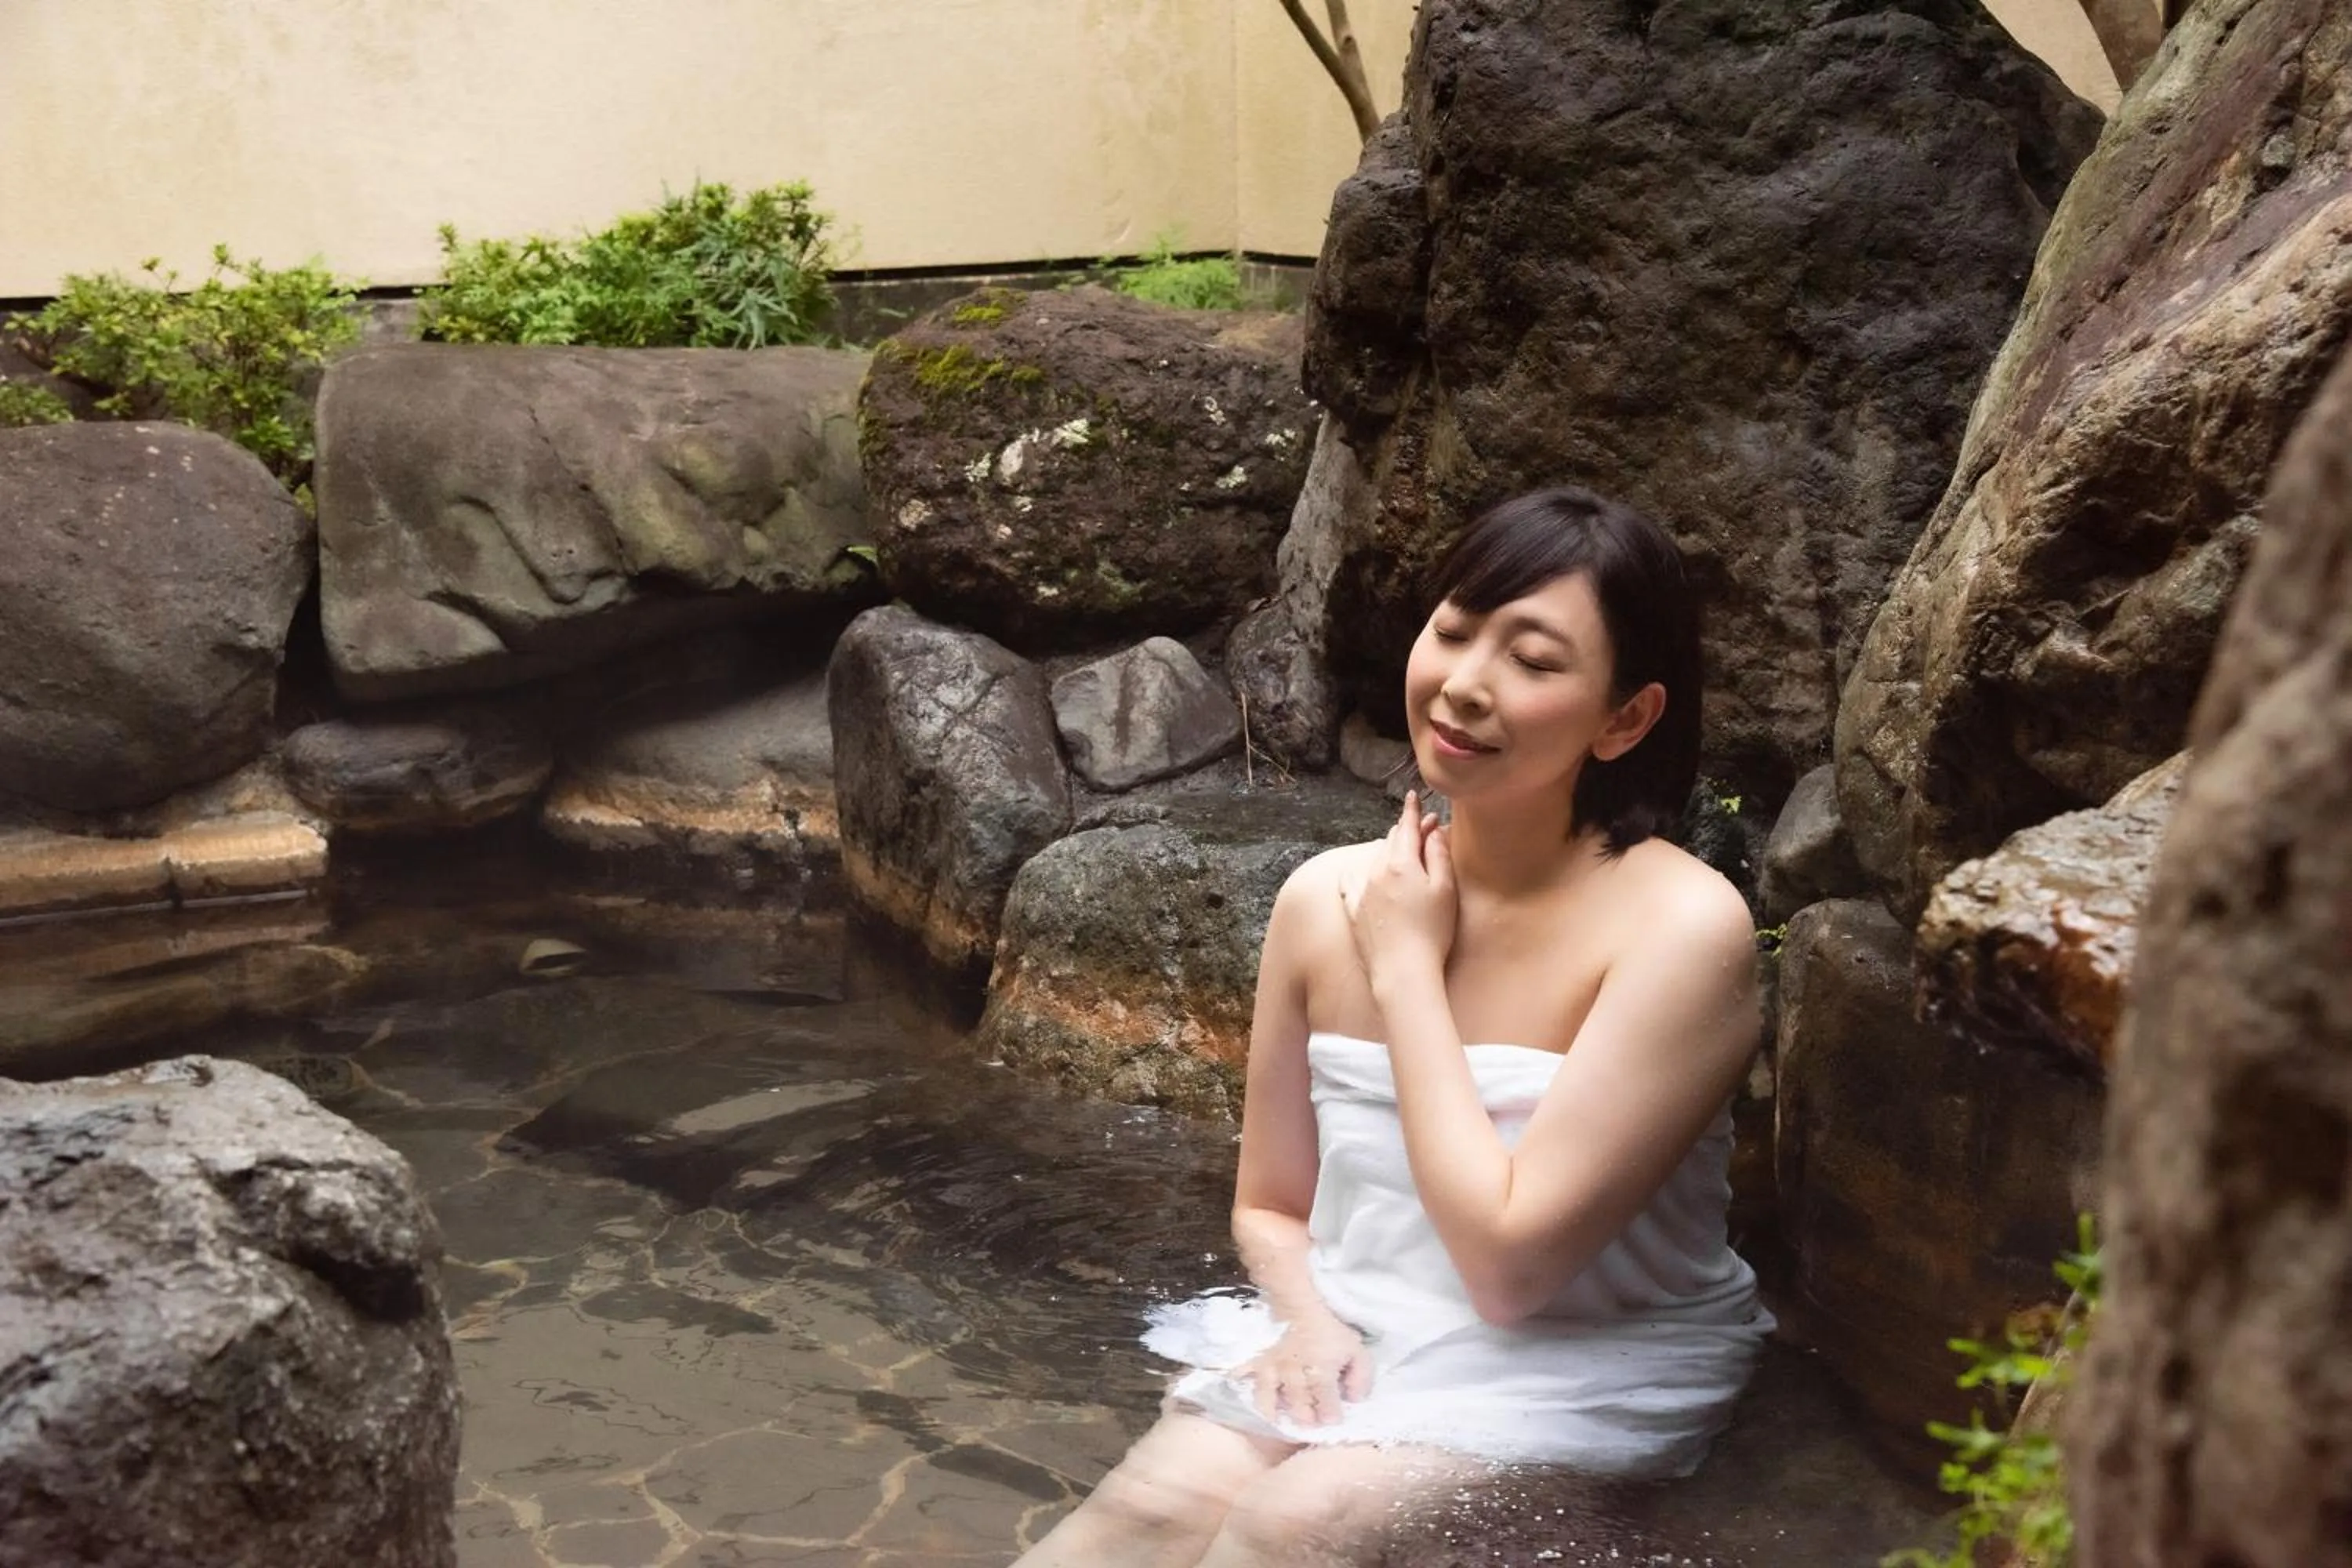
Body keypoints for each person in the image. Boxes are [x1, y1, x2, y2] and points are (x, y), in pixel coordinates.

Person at [1013, 488, 1774, 1567]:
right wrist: (1306, 1323)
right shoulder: (1324, 900)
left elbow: (1512, 1268)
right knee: (1148, 1514)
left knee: (1296, 1527)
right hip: (1366, 1328)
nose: (1465, 685)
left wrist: (1410, 969)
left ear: (1626, 718)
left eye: (1534, 660)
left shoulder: (1681, 930)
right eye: (1455, 631)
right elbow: (1273, 1206)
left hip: (1583, 1359)